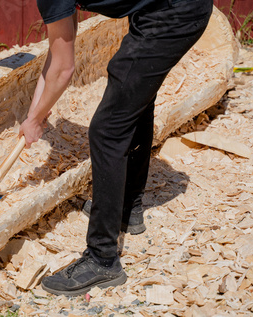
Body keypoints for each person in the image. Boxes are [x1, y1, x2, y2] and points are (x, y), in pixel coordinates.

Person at [18, 0, 213, 296]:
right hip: (162, 9)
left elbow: (63, 68)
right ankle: (127, 208)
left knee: (108, 129)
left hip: (177, 11)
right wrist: (36, 114)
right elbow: (57, 55)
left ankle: (102, 259)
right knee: (131, 101)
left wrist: (34, 119)